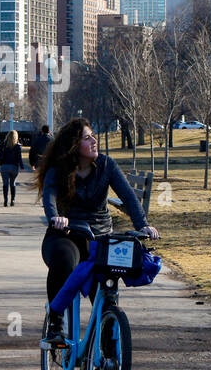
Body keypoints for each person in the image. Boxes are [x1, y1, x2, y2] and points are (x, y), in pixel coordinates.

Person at [35, 118, 158, 347]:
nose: (94, 141)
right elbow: (49, 197)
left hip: (100, 237)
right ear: (74, 145)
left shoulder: (106, 165)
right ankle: (56, 324)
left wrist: (142, 225)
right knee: (64, 262)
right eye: (87, 137)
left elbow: (128, 197)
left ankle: (110, 355)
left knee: (105, 290)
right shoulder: (59, 170)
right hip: (66, 234)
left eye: (93, 136)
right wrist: (55, 218)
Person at [0, 130, 24, 207]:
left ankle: (5, 200)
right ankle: (12, 200)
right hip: (14, 167)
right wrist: (22, 166)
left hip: (4, 166)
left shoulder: (4, 144)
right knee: (12, 183)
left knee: (5, 183)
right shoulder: (17, 146)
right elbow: (19, 158)